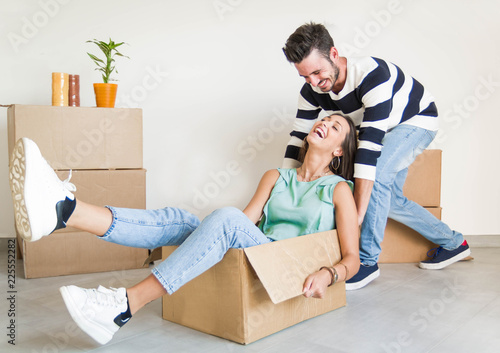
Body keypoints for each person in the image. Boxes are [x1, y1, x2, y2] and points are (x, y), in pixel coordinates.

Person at [9, 113, 360, 345]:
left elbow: (353, 259)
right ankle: (64, 212)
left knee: (222, 219)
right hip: (259, 250)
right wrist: (208, 233)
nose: (324, 123)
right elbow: (246, 221)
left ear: (339, 151)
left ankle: (125, 304)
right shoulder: (276, 176)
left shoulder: (339, 190)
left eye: (335, 127)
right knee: (181, 219)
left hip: (289, 269)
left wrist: (330, 274)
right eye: (324, 118)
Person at [281, 22, 470, 291]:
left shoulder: (372, 75)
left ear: (334, 54)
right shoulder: (311, 91)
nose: (313, 83)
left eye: (317, 72)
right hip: (382, 129)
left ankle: (367, 263)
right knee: (387, 200)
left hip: (415, 121)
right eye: (305, 77)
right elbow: (297, 138)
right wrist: (284, 184)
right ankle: (454, 243)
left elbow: (369, 150)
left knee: (376, 177)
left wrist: (356, 218)